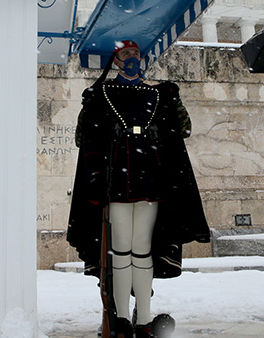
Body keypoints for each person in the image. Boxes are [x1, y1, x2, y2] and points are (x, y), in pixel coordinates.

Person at [67, 40, 210, 338]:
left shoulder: (158, 94)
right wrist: (89, 105)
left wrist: (175, 100)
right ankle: (120, 319)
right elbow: (84, 139)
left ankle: (143, 319)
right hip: (116, 177)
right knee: (120, 249)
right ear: (116, 61)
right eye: (126, 54)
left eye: (136, 54)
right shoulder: (102, 94)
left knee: (142, 248)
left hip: (150, 175)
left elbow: (182, 129)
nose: (132, 58)